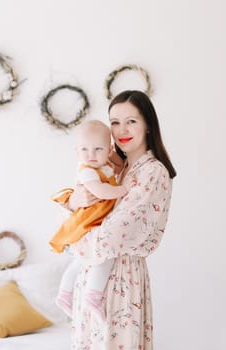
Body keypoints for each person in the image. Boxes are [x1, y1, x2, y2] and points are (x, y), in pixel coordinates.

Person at [66, 90, 176, 350]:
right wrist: (74, 202)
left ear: (148, 124)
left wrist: (73, 241)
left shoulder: (153, 172)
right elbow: (74, 211)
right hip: (92, 275)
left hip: (121, 280)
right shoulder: (113, 169)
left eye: (131, 121)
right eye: (114, 122)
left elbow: (112, 237)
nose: (121, 129)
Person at [50, 119, 130, 321]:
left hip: (96, 220)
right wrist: (123, 190)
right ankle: (93, 296)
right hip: (88, 222)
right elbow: (100, 191)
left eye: (98, 149)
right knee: (103, 257)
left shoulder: (106, 167)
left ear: (109, 150)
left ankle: (64, 294)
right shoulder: (86, 170)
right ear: (77, 152)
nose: (91, 155)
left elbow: (119, 168)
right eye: (85, 149)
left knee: (81, 260)